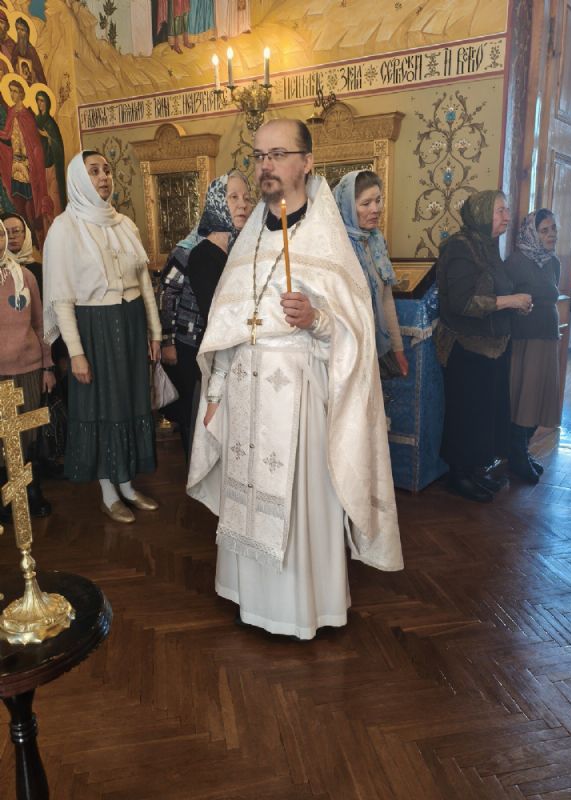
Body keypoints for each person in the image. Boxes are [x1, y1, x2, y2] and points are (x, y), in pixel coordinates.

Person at [187, 118, 403, 640]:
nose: (266, 166)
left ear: (306, 162)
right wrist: (215, 394)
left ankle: (303, 608)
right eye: (260, 155)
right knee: (245, 495)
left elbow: (355, 332)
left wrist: (317, 318)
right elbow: (229, 328)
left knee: (301, 503)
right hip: (244, 395)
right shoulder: (249, 239)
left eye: (278, 154)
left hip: (300, 398)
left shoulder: (327, 239)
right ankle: (250, 598)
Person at [43, 151, 162, 524]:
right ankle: (108, 493)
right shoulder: (65, 228)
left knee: (129, 403)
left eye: (107, 170)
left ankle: (127, 484)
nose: (104, 177)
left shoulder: (124, 224)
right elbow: (62, 299)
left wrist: (154, 331)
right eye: (94, 171)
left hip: (131, 323)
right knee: (103, 407)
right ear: (79, 179)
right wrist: (76, 353)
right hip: (94, 329)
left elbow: (144, 283)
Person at [435, 190, 533, 503]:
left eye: (507, 209)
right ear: (480, 213)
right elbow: (463, 302)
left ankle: (474, 471)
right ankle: (458, 476)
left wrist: (515, 305)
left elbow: (494, 293)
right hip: (466, 347)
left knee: (484, 414)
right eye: (500, 210)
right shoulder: (460, 247)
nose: (507, 216)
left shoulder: (488, 246)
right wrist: (511, 301)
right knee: (466, 413)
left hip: (494, 345)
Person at [159, 170, 252, 455]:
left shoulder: (240, 249)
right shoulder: (194, 251)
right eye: (233, 197)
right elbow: (168, 295)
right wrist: (167, 341)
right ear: (216, 203)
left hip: (221, 346)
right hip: (191, 345)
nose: (243, 204)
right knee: (195, 414)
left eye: (247, 198)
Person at [0, 218, 54, 520]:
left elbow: (39, 324)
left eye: (2, 235)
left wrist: (47, 366)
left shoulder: (25, 276)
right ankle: (7, 496)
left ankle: (32, 491)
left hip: (28, 368)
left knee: (28, 433)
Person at [333, 169, 408, 379]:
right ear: (347, 207)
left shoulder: (376, 241)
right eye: (366, 203)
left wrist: (397, 348)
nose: (375, 209)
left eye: (378, 200)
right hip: (344, 354)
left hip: (376, 348)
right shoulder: (335, 247)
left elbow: (386, 299)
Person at [505, 209, 561, 483]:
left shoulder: (553, 262)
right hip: (525, 339)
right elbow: (504, 298)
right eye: (544, 230)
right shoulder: (515, 262)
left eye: (553, 229)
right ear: (531, 233)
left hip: (548, 337)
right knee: (523, 399)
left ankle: (522, 451)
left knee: (539, 397)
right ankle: (516, 455)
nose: (551, 235)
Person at [0, 80, 53, 247]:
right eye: (10, 91)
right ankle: (25, 234)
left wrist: (34, 162)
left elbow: (34, 143)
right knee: (18, 201)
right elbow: (6, 134)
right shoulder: (11, 112)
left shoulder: (27, 115)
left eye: (15, 91)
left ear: (22, 94)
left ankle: (35, 237)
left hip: (28, 166)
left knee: (31, 202)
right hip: (16, 165)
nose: (12, 94)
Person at [35, 90, 67, 213]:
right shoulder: (36, 119)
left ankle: (57, 214)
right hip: (40, 161)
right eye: (38, 100)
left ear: (47, 103)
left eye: (42, 100)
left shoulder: (50, 122)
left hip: (51, 162)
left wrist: (46, 135)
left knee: (53, 191)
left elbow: (56, 142)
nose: (39, 103)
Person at [10, 17, 46, 84]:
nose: (19, 32)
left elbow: (39, 72)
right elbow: (12, 64)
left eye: (22, 30)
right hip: (19, 81)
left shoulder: (31, 50)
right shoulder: (16, 48)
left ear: (27, 33)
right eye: (17, 29)